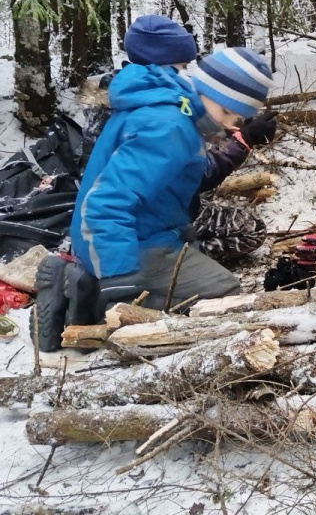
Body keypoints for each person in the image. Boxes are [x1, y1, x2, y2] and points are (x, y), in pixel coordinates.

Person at [34, 42, 274, 350]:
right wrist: (117, 278)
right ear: (217, 95)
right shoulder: (168, 129)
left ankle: (84, 286)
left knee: (208, 281)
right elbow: (104, 204)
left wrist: (242, 141)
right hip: (132, 244)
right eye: (231, 114)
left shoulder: (173, 108)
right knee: (224, 297)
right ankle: (90, 308)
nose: (230, 126)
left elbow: (181, 176)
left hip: (150, 233)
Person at [85, 15, 278, 261]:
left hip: (130, 211)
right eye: (182, 67)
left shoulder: (130, 91)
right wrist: (244, 141)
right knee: (252, 230)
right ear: (163, 64)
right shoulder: (152, 109)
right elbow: (195, 175)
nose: (185, 74)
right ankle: (167, 261)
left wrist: (226, 130)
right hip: (143, 220)